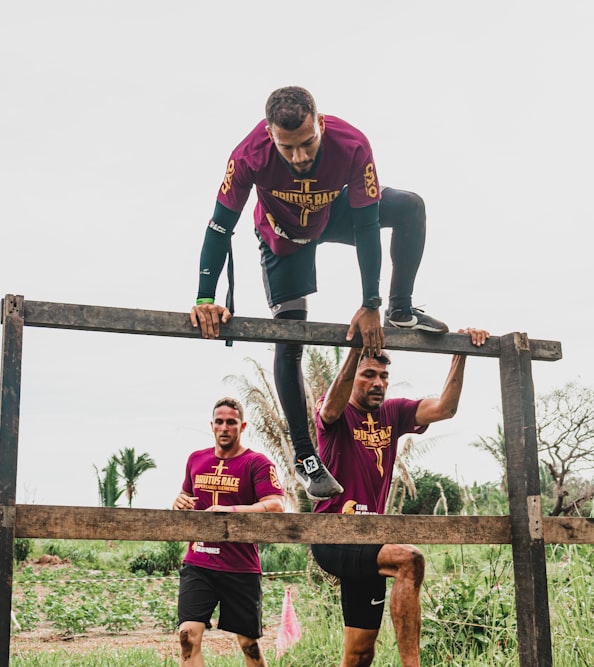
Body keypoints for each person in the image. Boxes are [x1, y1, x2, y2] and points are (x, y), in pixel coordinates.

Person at [190, 85, 447, 502]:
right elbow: (220, 226)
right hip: (283, 235)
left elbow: (367, 226)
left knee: (409, 207)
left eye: (307, 143)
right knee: (291, 336)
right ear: (270, 135)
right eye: (286, 147)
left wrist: (372, 304)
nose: (299, 157)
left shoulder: (352, 144)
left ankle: (403, 307)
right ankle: (307, 457)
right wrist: (205, 297)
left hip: (331, 216)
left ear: (320, 124)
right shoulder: (248, 154)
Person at [310, 328, 490, 667]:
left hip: (371, 541)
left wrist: (460, 353)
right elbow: (331, 411)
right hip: (333, 536)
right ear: (353, 377)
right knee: (409, 559)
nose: (378, 383)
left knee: (361, 654)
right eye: (368, 375)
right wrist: (355, 349)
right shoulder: (334, 409)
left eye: (383, 376)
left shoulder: (393, 413)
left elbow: (445, 408)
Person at [172, 397, 286, 667]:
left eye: (231, 422)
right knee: (187, 637)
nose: (225, 427)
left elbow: (276, 504)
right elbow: (186, 495)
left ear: (242, 426)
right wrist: (179, 500)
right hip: (199, 562)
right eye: (219, 422)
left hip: (240, 567)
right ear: (212, 425)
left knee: (249, 646)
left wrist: (231, 511)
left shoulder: (257, 463)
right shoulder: (196, 460)